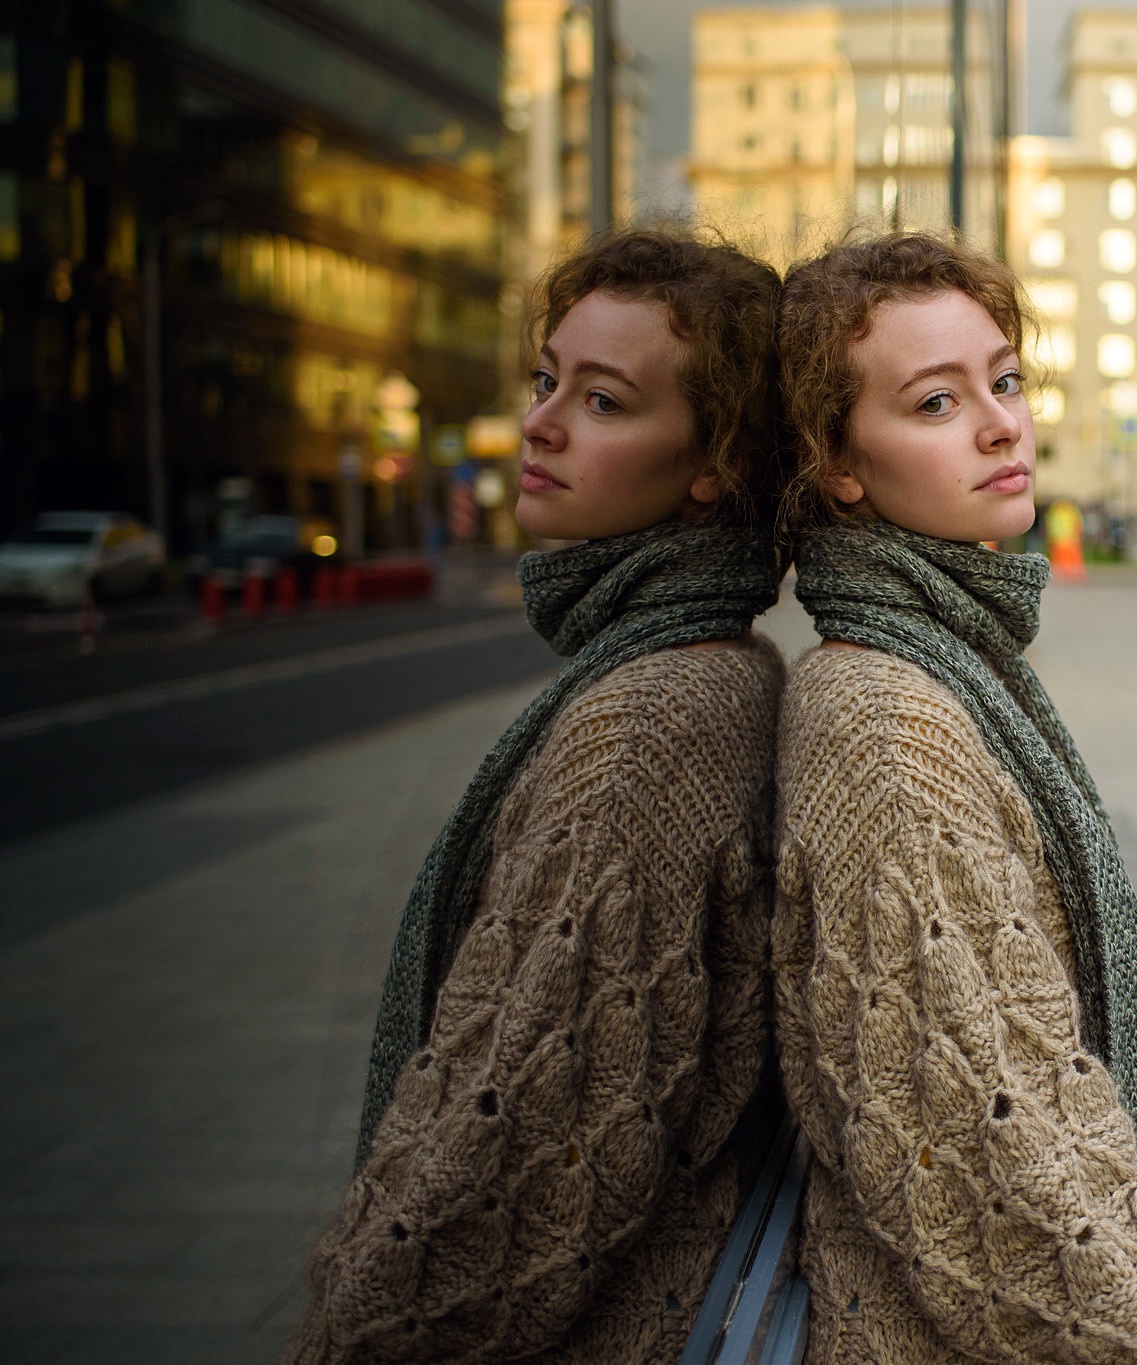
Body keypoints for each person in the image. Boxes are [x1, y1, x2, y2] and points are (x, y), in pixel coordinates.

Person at [285, 229, 788, 1363]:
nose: (541, 423)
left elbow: (493, 1168)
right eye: (543, 379)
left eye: (602, 401)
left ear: (715, 466)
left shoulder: (643, 727)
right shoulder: (709, 667)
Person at [771, 233, 1137, 1363]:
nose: (999, 424)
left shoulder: (946, 660)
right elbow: (997, 1154)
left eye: (1005, 380)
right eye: (935, 402)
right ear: (837, 462)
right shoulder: (885, 722)